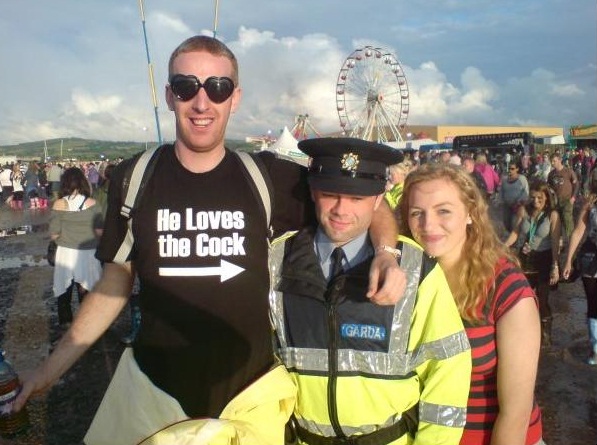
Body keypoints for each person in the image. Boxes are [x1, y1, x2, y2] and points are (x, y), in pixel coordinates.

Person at [15, 35, 404, 445]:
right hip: (156, 400)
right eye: (187, 86)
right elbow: (115, 283)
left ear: (234, 98)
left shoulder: (268, 177)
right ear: (170, 96)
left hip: (249, 400)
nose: (202, 102)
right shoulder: (135, 178)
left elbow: (361, 197)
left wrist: (385, 253)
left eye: (218, 87)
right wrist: (47, 372)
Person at [271, 138, 471, 444]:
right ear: (312, 192)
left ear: (378, 200)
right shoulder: (275, 261)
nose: (342, 210)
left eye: (356, 198)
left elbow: (448, 372)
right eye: (330, 194)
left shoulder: (416, 269)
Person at [399, 163, 544, 445]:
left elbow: (515, 413)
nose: (428, 225)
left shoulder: (505, 286)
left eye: (443, 211)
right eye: (417, 213)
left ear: (469, 213)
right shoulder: (404, 278)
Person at [504, 180, 561, 347]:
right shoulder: (524, 210)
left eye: (539, 198)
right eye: (533, 197)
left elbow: (555, 242)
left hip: (544, 259)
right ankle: (527, 330)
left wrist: (555, 265)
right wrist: (502, 247)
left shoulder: (552, 215)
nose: (535, 201)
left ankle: (545, 335)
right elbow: (515, 233)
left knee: (542, 298)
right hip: (526, 257)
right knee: (524, 297)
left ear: (546, 197)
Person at [50, 167, 104, 327]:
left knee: (64, 290)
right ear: (83, 182)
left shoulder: (59, 204)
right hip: (89, 253)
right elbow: (100, 232)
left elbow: (54, 235)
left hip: (65, 253)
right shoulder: (94, 204)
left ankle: (66, 324)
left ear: (64, 183)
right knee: (87, 289)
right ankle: (87, 324)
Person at [562, 193, 597, 365]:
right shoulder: (591, 203)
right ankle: (595, 349)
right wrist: (568, 260)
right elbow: (578, 232)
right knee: (594, 303)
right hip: (590, 259)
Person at [548, 152, 579, 241]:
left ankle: (571, 240)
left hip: (567, 200)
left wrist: (573, 197)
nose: (552, 163)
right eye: (551, 161)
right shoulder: (551, 174)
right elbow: (549, 186)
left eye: (554, 161)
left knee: (567, 218)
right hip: (556, 201)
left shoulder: (568, 171)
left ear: (560, 160)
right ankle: (559, 240)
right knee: (557, 220)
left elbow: (576, 184)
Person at [500, 159, 529, 232]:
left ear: (517, 169)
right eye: (509, 168)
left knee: (515, 224)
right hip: (507, 206)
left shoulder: (522, 179)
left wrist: (518, 201)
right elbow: (501, 191)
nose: (510, 170)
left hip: (517, 207)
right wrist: (501, 201)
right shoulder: (505, 179)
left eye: (512, 168)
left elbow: (525, 191)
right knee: (506, 223)